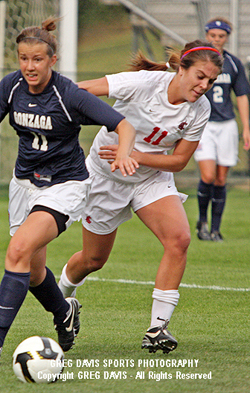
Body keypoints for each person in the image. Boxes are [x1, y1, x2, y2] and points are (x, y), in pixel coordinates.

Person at [58, 40, 223, 354]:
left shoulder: (200, 109)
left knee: (179, 239)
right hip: (106, 178)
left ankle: (157, 328)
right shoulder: (143, 83)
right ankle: (62, 300)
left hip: (151, 179)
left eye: (211, 81)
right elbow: (79, 90)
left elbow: (178, 161)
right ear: (181, 68)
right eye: (200, 76)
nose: (204, 86)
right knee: (93, 260)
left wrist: (136, 155)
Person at [0, 17, 138, 357]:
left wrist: (123, 151)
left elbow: (123, 125)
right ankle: (64, 312)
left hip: (64, 186)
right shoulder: (11, 86)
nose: (29, 66)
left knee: (17, 252)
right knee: (32, 271)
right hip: (23, 184)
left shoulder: (69, 95)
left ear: (52, 60)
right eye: (23, 59)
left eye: (37, 59)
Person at [194, 17, 250, 242]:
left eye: (221, 36)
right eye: (213, 35)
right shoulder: (198, 61)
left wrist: (246, 126)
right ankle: (202, 222)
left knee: (220, 179)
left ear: (226, 38)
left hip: (226, 124)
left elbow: (242, 96)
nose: (216, 39)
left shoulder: (233, 63)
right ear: (206, 35)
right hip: (204, 125)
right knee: (207, 176)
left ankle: (215, 229)